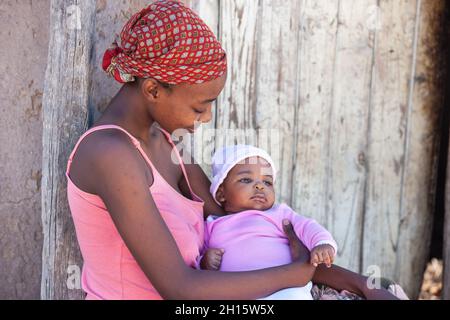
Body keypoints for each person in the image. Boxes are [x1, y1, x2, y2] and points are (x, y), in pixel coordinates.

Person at [66, 0, 399, 300]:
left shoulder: (167, 146)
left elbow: (253, 229)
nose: (208, 117)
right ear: (153, 89)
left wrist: (363, 287)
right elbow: (181, 289)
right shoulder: (109, 155)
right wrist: (297, 274)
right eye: (199, 107)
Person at [199, 145, 339, 300]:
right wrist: (205, 261)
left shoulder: (279, 214)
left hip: (285, 289)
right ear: (221, 194)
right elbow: (198, 255)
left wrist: (322, 243)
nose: (260, 186)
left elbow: (307, 226)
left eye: (267, 182)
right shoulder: (212, 225)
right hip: (237, 293)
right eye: (246, 180)